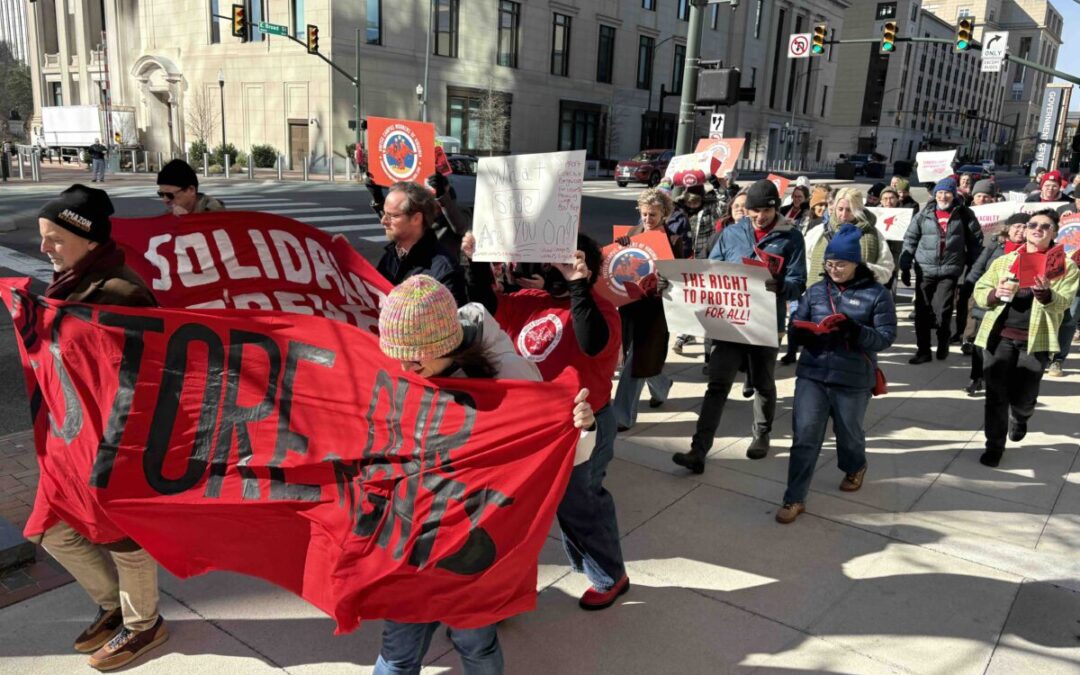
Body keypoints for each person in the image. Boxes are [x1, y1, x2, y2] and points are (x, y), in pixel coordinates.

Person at [373, 274, 596, 674]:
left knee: (474, 643)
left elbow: (562, 458)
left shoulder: (509, 383)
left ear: (446, 346)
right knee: (398, 653)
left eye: (417, 355)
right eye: (398, 354)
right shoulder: (400, 376)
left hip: (472, 546)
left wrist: (582, 427)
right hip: (409, 541)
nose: (406, 365)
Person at [32, 185, 167, 671]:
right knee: (50, 529)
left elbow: (150, 375)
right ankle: (114, 606)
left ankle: (142, 623)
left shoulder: (123, 293)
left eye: (55, 239)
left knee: (122, 537)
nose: (44, 248)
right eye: (43, 237)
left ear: (89, 241)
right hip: (71, 437)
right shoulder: (68, 284)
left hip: (113, 441)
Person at [463, 232, 629, 611]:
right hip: (531, 425)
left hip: (582, 423)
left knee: (579, 505)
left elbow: (591, 343)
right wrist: (473, 260)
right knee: (518, 513)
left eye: (561, 263)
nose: (548, 270)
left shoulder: (601, 310)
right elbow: (483, 307)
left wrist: (577, 287)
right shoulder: (528, 302)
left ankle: (610, 576)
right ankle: (508, 591)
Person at [673, 180, 807, 472]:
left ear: (776, 207)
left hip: (764, 321)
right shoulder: (732, 233)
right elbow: (711, 269)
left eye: (766, 210)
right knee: (717, 384)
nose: (760, 216)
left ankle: (761, 434)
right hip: (729, 321)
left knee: (762, 382)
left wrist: (781, 284)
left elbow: (799, 283)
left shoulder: (792, 238)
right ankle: (699, 450)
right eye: (754, 210)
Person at [776, 224, 897, 523]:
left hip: (852, 377)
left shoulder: (877, 294)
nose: (834, 270)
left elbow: (885, 337)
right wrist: (800, 333)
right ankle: (794, 498)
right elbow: (798, 324)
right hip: (813, 373)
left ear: (856, 263)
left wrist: (855, 330)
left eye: (841, 264)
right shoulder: (816, 291)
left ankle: (855, 466)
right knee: (805, 436)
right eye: (830, 264)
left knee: (849, 435)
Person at [973, 209, 1079, 467]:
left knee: (1024, 397)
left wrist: (1045, 294)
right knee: (996, 396)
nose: (1037, 229)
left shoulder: (1066, 266)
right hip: (1000, 337)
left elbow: (1064, 303)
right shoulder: (1005, 260)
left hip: (1036, 340)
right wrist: (994, 294)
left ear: (1054, 233)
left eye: (1045, 226)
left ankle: (1020, 417)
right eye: (1033, 224)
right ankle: (994, 446)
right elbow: (980, 289)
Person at [613, 188, 687, 430]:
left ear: (664, 214)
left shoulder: (674, 241)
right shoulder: (630, 235)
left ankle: (622, 416)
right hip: (631, 306)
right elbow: (614, 265)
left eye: (653, 215)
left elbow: (683, 279)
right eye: (644, 214)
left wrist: (668, 282)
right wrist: (619, 248)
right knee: (644, 359)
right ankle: (662, 386)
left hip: (656, 312)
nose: (647, 219)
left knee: (637, 361)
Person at [900, 177, 982, 363]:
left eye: (947, 193)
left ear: (954, 195)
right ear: (935, 194)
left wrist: (973, 268)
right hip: (925, 269)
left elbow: (975, 243)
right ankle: (923, 351)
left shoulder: (964, 214)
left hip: (950, 270)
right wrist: (904, 265)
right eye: (940, 193)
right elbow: (910, 239)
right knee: (921, 311)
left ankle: (943, 341)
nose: (943, 196)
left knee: (943, 311)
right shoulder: (924, 214)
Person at [963, 214, 1028, 395]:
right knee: (978, 342)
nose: (1020, 231)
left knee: (996, 345)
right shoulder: (996, 245)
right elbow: (979, 266)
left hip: (1011, 308)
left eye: (1025, 227)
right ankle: (976, 378)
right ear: (1008, 228)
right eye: (1017, 226)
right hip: (988, 300)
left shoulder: (1030, 252)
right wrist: (968, 285)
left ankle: (997, 377)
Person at [376, 181, 468, 306]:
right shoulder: (391, 257)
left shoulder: (443, 271)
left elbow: (451, 322)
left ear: (416, 219)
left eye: (392, 216)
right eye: (384, 213)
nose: (383, 221)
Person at [803, 187, 894, 286]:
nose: (844, 214)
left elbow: (887, 269)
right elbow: (803, 260)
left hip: (859, 295)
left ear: (858, 209)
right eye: (840, 209)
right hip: (821, 296)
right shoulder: (819, 232)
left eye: (849, 210)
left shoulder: (873, 234)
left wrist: (863, 270)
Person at [156, 159, 225, 215]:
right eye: (161, 194)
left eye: (170, 195)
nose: (165, 200)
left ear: (191, 190)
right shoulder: (171, 213)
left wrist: (187, 221)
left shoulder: (214, 212)